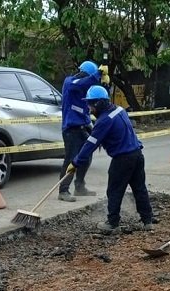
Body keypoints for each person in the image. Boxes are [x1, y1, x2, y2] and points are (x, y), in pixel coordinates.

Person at [70, 85, 154, 232]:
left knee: (114, 190)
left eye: (90, 104)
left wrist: (76, 162)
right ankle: (147, 221)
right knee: (140, 189)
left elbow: (90, 144)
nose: (89, 108)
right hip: (137, 155)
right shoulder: (119, 110)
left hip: (122, 159)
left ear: (98, 103)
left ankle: (112, 223)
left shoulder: (104, 121)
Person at [57, 60, 106, 202]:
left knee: (86, 157)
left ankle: (79, 186)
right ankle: (63, 190)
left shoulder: (84, 89)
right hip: (71, 129)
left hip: (84, 126)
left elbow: (96, 98)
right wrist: (98, 74)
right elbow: (84, 83)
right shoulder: (70, 82)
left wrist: (104, 83)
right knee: (71, 159)